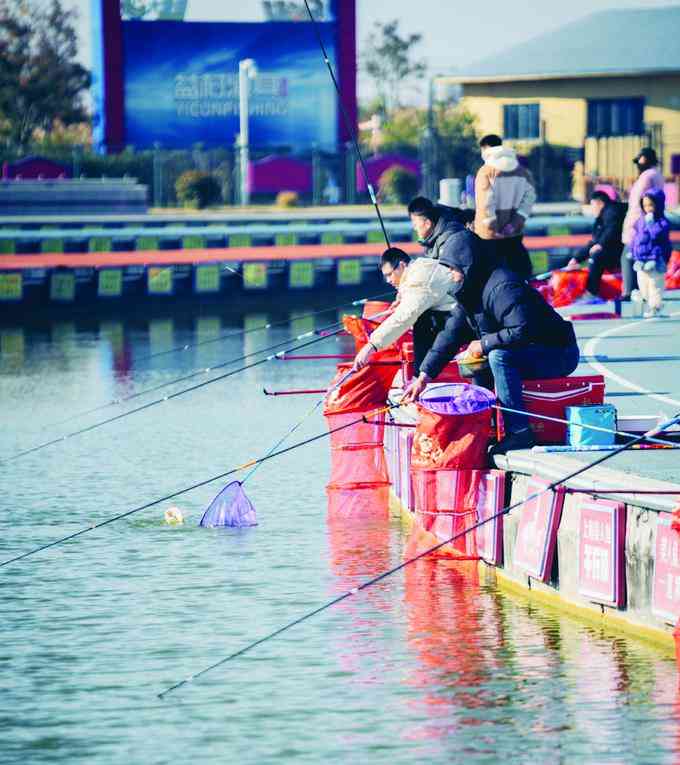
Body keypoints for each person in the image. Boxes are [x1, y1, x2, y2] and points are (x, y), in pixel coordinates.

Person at [402, 239, 580, 455]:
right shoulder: (468, 291)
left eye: (452, 268)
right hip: (527, 350)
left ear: (466, 266)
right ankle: (487, 429)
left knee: (498, 357)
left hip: (558, 352)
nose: (450, 275)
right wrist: (423, 377)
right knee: (475, 363)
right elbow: (450, 335)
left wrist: (483, 343)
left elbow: (522, 329)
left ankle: (520, 432)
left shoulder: (503, 286)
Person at [352, 247, 460, 373]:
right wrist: (402, 297)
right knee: (421, 318)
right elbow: (416, 294)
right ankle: (421, 373)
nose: (388, 280)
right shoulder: (420, 267)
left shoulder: (420, 280)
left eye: (389, 274)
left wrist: (371, 346)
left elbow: (404, 316)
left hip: (465, 316)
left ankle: (420, 376)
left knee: (421, 320)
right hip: (454, 309)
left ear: (402, 266)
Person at [474, 134, 536, 279]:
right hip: (514, 233)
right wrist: (515, 224)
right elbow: (529, 199)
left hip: (490, 236)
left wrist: (492, 226)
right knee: (520, 273)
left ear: (486, 149)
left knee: (491, 277)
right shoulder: (522, 171)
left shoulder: (486, 171)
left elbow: (486, 202)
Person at [565, 190, 626, 299]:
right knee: (594, 254)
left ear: (600, 203)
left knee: (596, 257)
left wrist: (601, 244)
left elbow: (613, 229)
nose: (592, 210)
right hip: (612, 251)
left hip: (621, 252)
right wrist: (576, 258)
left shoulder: (612, 211)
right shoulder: (601, 219)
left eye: (592, 206)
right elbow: (594, 242)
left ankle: (591, 292)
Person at [621, 147, 664, 299]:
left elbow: (645, 199)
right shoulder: (652, 175)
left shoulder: (648, 176)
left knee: (628, 254)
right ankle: (636, 290)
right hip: (641, 220)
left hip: (640, 221)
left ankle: (629, 290)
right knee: (636, 254)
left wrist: (641, 219)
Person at [630, 189, 672, 318]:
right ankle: (650, 303)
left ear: (658, 205)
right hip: (642, 260)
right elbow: (636, 239)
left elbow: (657, 236)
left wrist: (651, 223)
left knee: (655, 285)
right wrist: (633, 253)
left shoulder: (662, 222)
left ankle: (655, 307)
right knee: (644, 286)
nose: (648, 208)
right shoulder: (640, 221)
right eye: (645, 205)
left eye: (651, 205)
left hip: (656, 260)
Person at [407, 196, 475, 261]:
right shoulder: (432, 240)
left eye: (415, 224)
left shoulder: (449, 239)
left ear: (428, 224)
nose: (414, 228)